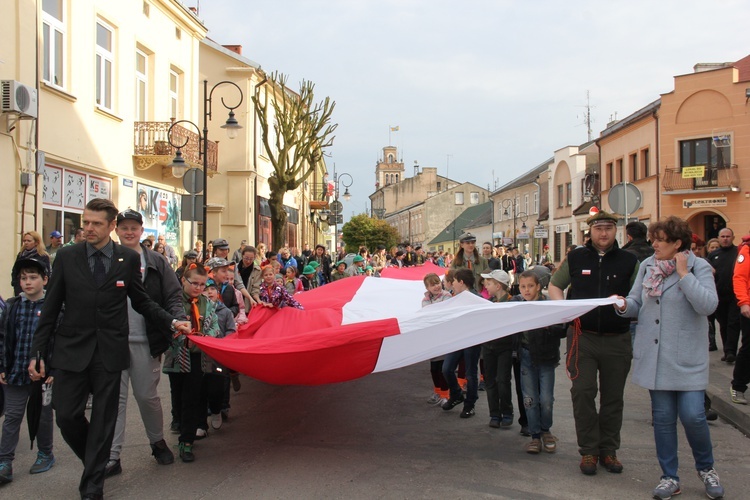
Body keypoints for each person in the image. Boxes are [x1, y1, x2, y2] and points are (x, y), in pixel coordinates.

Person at [28, 198, 190, 499]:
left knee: (104, 417)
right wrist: (37, 351)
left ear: (110, 226)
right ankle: (98, 457)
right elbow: (50, 308)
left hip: (110, 352)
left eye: (95, 223)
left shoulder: (126, 261)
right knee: (65, 414)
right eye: (85, 222)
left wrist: (171, 322)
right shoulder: (66, 256)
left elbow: (143, 302)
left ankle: (92, 487)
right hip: (72, 350)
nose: (88, 228)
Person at [615, 216, 724, 500]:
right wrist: (624, 305)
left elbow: (708, 306)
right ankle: (669, 477)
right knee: (663, 420)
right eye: (653, 239)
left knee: (693, 416)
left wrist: (684, 274)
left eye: (660, 241)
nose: (654, 245)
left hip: (686, 355)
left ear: (677, 243)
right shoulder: (648, 266)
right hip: (656, 357)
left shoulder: (699, 266)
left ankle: (707, 469)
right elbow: (637, 302)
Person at [548, 210, 640, 476]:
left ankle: (608, 450)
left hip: (617, 338)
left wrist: (629, 307)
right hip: (582, 337)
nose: (603, 233)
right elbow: (556, 285)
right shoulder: (576, 257)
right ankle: (588, 450)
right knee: (583, 392)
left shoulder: (628, 260)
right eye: (599, 228)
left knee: (613, 398)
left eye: (609, 228)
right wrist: (563, 309)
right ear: (590, 231)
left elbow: (637, 298)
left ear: (616, 231)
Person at [106, 209, 184, 477]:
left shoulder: (156, 261)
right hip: (112, 341)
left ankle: (157, 441)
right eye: (124, 227)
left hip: (145, 341)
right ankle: (112, 456)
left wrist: (177, 320)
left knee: (147, 397)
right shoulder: (108, 259)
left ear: (142, 231)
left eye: (134, 228)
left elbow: (173, 294)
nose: (129, 232)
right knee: (114, 400)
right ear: (117, 230)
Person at [0, 257, 56, 484]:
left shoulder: (54, 307)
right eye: (23, 278)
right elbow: (4, 340)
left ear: (45, 279)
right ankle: (5, 461)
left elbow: (57, 341)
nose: (27, 282)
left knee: (42, 416)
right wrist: (3, 366)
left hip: (42, 376)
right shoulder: (13, 306)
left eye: (33, 277)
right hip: (16, 372)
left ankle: (45, 453)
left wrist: (54, 369)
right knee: (12, 417)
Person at [162, 264, 221, 462]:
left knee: (192, 396)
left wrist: (205, 337)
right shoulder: (174, 301)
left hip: (197, 356)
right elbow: (166, 323)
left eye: (202, 284)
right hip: (177, 355)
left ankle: (186, 441)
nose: (198, 288)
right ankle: (179, 422)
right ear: (183, 281)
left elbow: (215, 326)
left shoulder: (207, 303)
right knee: (177, 395)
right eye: (194, 283)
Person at [513, 270, 565, 455]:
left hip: (546, 358)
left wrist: (549, 326)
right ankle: (535, 435)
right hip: (526, 357)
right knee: (529, 399)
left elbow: (563, 328)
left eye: (530, 286)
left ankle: (546, 430)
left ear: (539, 286)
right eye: (523, 286)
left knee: (546, 399)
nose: (526, 290)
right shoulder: (517, 305)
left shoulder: (549, 306)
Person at [441, 269, 482, 419]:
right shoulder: (455, 298)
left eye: (455, 281)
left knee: (470, 373)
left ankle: (470, 405)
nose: (453, 284)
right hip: (457, 339)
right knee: (447, 369)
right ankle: (457, 394)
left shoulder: (476, 298)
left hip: (471, 340)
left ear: (462, 282)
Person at [480, 269, 516, 429]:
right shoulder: (489, 302)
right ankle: (494, 413)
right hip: (489, 347)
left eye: (489, 283)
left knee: (502, 380)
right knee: (490, 381)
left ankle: (507, 412)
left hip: (504, 347)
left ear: (499, 285)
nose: (485, 286)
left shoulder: (511, 302)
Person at [707, 228, 740, 363]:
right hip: (719, 295)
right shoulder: (713, 255)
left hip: (735, 295)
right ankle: (727, 350)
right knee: (723, 323)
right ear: (719, 238)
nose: (725, 239)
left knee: (733, 322)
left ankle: (731, 350)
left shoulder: (739, 253)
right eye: (723, 236)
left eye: (728, 236)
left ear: (733, 237)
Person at [421, 273, 452, 406]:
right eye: (432, 284)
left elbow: (444, 312)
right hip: (432, 338)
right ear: (427, 287)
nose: (436, 286)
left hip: (444, 336)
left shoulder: (447, 296)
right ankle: (437, 392)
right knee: (434, 369)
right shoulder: (425, 300)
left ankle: (446, 394)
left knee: (443, 368)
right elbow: (425, 315)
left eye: (438, 282)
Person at [731, 230, 750, 406]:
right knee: (748, 348)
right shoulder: (746, 251)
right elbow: (740, 278)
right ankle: (738, 386)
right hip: (749, 308)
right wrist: (744, 302)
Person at [11, 231, 50, 296]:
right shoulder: (21, 255)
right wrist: (14, 283)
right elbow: (15, 270)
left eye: (29, 241)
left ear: (36, 242)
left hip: (37, 290)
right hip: (20, 289)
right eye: (24, 241)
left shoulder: (43, 256)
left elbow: (47, 273)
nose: (26, 243)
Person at [235, 246, 262, 312]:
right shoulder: (234, 267)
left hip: (248, 303)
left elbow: (256, 288)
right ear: (242, 256)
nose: (248, 261)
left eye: (251, 259)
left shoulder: (257, 270)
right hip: (235, 300)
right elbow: (238, 284)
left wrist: (257, 299)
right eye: (246, 258)